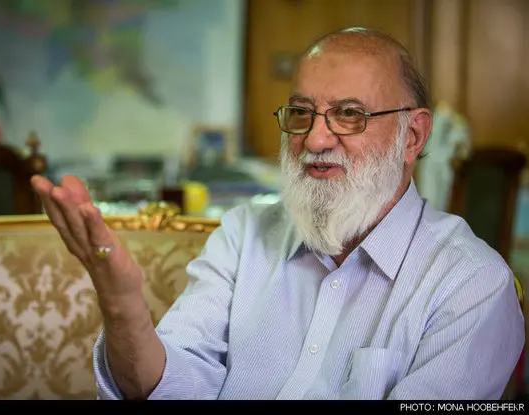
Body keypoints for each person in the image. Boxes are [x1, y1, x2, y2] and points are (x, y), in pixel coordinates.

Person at [31, 27, 525, 400]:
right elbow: (170, 388)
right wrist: (122, 304)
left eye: (349, 115)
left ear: (412, 137)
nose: (315, 139)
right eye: (301, 112)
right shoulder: (243, 234)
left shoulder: (471, 285)